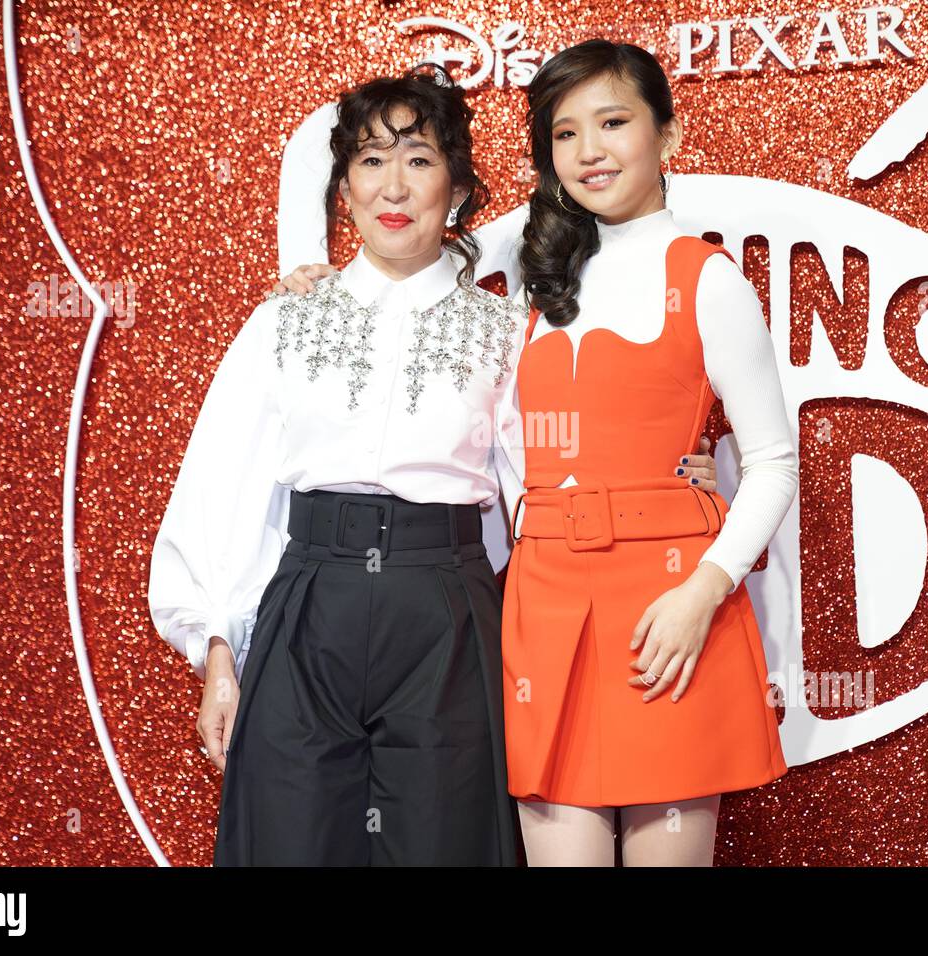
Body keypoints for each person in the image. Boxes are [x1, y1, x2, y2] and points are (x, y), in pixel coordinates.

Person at [151, 63, 716, 866]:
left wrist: (674, 476)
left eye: (418, 159)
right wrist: (217, 649)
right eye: (370, 160)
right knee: (288, 842)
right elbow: (223, 487)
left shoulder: (508, 331)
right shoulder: (283, 322)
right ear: (342, 190)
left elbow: (553, 479)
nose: (393, 184)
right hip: (308, 611)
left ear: (455, 189)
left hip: (447, 617)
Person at [497, 39, 799, 866]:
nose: (589, 150)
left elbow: (773, 460)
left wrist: (705, 589)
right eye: (564, 133)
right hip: (548, 604)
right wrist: (314, 281)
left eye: (614, 121)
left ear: (666, 134)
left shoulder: (707, 279)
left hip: (670, 607)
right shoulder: (534, 283)